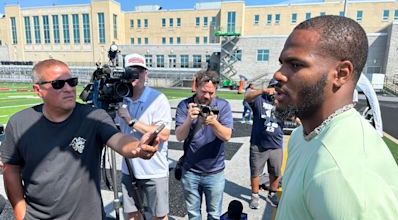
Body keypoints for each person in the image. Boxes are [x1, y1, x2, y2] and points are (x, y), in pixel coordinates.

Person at [273, 15, 398, 219]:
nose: (278, 74)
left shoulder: (341, 171)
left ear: (341, 73)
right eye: (282, 63)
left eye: (295, 64)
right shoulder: (300, 136)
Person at [0, 59, 159, 220]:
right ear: (38, 89)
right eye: (58, 84)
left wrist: (137, 147)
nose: (68, 89)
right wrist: (20, 212)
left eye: (72, 82)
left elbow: (118, 140)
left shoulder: (94, 117)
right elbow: (10, 168)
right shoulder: (19, 123)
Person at [115, 53, 171, 220]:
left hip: (154, 170)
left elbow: (164, 133)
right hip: (129, 167)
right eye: (131, 71)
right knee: (131, 214)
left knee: (159, 215)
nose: (135, 76)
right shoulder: (120, 97)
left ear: (145, 73)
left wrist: (131, 120)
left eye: (139, 71)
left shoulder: (157, 99)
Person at [175, 71, 233, 220]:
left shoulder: (223, 105)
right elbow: (179, 136)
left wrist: (214, 123)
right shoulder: (184, 105)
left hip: (215, 172)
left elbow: (226, 136)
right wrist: (189, 119)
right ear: (196, 87)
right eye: (203, 92)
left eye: (211, 93)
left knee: (214, 215)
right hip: (190, 171)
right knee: (193, 214)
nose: (207, 97)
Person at [244, 78, 284, 209]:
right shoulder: (260, 100)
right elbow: (246, 97)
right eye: (274, 87)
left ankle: (271, 194)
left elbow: (295, 115)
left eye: (279, 88)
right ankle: (255, 196)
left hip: (276, 144)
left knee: (276, 172)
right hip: (258, 144)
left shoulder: (283, 103)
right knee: (255, 172)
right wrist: (262, 91)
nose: (276, 90)